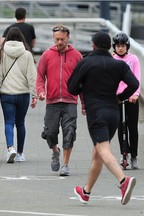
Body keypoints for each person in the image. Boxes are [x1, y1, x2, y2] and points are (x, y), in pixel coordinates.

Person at [68, 31, 139, 205]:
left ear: (93, 45)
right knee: (98, 153)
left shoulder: (86, 62)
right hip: (114, 112)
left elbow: (72, 87)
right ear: (110, 46)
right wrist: (121, 97)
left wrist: (83, 87)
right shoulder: (118, 65)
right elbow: (135, 84)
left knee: (103, 149)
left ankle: (123, 181)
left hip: (96, 112)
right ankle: (86, 192)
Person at [36, 25, 82, 176]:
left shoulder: (76, 56)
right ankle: (55, 151)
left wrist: (85, 104)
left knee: (69, 132)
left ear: (68, 38)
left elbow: (83, 81)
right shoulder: (46, 55)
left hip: (70, 101)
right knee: (50, 132)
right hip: (52, 101)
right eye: (57, 39)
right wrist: (41, 91)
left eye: (62, 39)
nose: (59, 42)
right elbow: (40, 77)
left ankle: (66, 165)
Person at [0, 27, 37, 163]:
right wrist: (34, 95)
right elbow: (32, 76)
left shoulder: (1, 52)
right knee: (20, 123)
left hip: (7, 94)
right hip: (23, 94)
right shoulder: (27, 54)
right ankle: (20, 153)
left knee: (9, 122)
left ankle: (10, 148)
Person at [112, 32, 141, 169]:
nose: (120, 48)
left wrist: (135, 94)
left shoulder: (133, 59)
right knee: (120, 127)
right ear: (114, 47)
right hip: (118, 98)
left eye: (123, 46)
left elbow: (136, 78)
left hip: (131, 98)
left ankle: (134, 155)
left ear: (127, 46)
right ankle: (124, 154)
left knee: (132, 128)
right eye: (118, 46)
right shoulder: (112, 60)